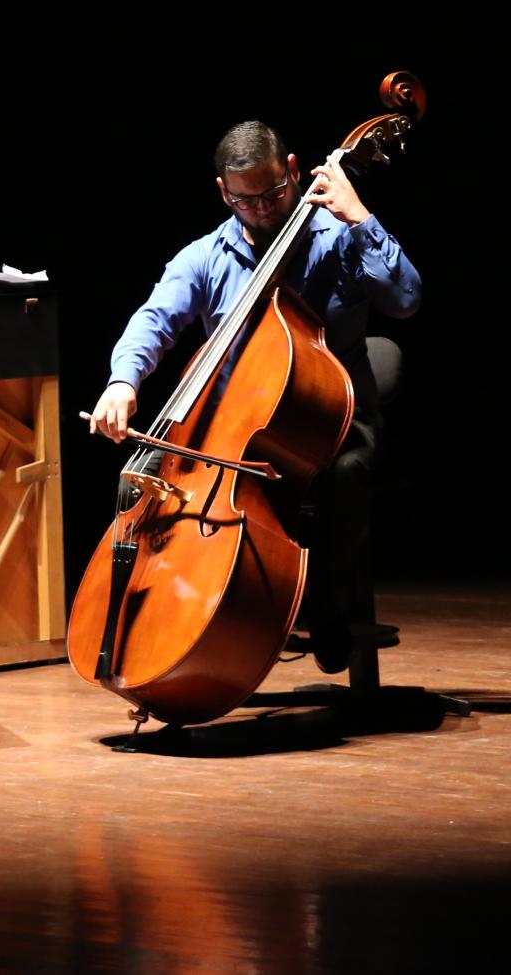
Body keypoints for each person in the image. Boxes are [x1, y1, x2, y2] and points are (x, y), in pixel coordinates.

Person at [87, 120, 422, 675]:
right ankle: (191, 623)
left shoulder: (338, 237)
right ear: (224, 192)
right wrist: (123, 382)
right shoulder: (203, 256)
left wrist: (360, 216)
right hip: (233, 428)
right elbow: (154, 320)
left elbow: (406, 299)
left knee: (345, 474)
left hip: (333, 422)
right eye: (246, 199)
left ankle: (330, 609)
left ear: (293, 170)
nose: (264, 208)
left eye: (273, 193)